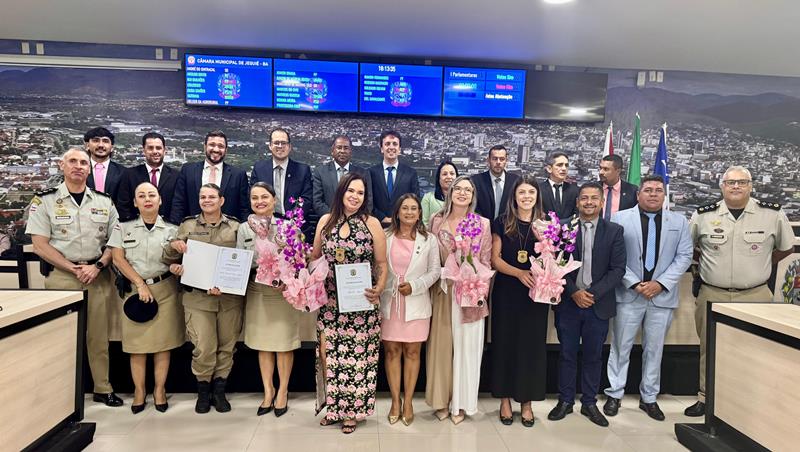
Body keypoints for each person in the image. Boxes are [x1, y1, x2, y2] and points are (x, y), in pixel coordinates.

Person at [683, 166, 794, 417]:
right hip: (713, 293)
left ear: (751, 186)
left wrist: (759, 267)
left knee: (757, 348)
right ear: (721, 186)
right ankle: (705, 397)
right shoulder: (703, 215)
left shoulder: (772, 214)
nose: (736, 187)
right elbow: (689, 249)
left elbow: (785, 249)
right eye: (730, 182)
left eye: (742, 183)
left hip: (756, 295)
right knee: (708, 349)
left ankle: (752, 400)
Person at [26, 148, 122, 407]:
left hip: (97, 276)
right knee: (61, 336)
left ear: (89, 169)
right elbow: (39, 244)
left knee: (98, 337)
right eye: (72, 162)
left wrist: (98, 266)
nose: (78, 166)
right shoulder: (45, 201)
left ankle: (102, 387)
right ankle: (61, 392)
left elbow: (116, 240)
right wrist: (72, 267)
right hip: (62, 278)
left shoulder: (104, 202)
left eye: (83, 162)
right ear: (62, 165)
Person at [603, 175, 692, 421]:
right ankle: (614, 394)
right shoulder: (620, 219)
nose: (653, 194)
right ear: (638, 194)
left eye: (658, 190)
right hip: (629, 293)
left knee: (654, 349)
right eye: (648, 190)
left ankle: (649, 398)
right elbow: (614, 256)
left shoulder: (679, 222)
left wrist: (660, 284)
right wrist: (634, 283)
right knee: (621, 346)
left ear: (665, 195)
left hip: (661, 296)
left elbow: (684, 256)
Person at [311, 172, 387, 434]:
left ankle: (352, 412)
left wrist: (379, 288)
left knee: (357, 359)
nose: (355, 197)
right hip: (330, 302)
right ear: (341, 192)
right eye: (350, 191)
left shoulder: (372, 223)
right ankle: (334, 408)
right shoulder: (325, 221)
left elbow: (381, 263)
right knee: (328, 355)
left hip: (361, 303)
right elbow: (315, 257)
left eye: (360, 193)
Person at [548, 182, 625, 427]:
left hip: (598, 305)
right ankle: (566, 400)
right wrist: (574, 292)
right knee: (567, 354)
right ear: (577, 202)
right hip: (569, 304)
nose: (589, 202)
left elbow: (617, 270)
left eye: (594, 198)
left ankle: (589, 402)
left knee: (593, 356)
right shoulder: (562, 228)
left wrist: (591, 293)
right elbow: (555, 263)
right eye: (584, 198)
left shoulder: (614, 231)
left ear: (602, 202)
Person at [163, 183, 242, 414]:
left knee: (227, 347)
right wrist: (174, 250)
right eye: (202, 197)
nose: (207, 200)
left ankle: (220, 391)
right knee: (204, 347)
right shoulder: (188, 225)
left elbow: (243, 261)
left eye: (211, 197)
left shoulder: (235, 227)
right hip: (197, 299)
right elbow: (169, 258)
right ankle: (203, 391)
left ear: (222, 200)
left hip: (228, 299)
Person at [108, 182, 184, 414]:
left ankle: (159, 390)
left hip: (165, 291)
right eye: (141, 195)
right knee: (137, 347)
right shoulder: (123, 228)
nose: (147, 199)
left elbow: (177, 260)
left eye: (152, 195)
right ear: (135, 202)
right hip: (135, 292)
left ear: (160, 200)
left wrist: (177, 268)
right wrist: (140, 284)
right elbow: (118, 259)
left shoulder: (173, 229)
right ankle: (140, 391)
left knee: (163, 345)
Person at [425, 176, 492, 425]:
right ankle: (442, 401)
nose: (463, 193)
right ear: (450, 192)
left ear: (473, 196)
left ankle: (461, 404)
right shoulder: (436, 220)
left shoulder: (481, 223)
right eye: (458, 189)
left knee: (466, 350)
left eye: (468, 190)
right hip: (443, 292)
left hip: (470, 294)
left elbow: (486, 261)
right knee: (441, 350)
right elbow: (432, 257)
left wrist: (473, 283)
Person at [237, 182, 301, 417]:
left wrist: (289, 261)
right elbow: (238, 261)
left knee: (283, 344)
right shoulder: (244, 229)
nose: (260, 201)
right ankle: (268, 391)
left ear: (274, 200)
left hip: (283, 293)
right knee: (263, 345)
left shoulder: (287, 226)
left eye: (265, 197)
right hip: (257, 290)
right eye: (255, 198)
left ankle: (283, 391)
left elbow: (300, 260)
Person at [490, 175, 546, 427]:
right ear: (514, 197)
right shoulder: (501, 223)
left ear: (537, 197)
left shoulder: (546, 225)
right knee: (505, 344)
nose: (526, 197)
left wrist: (544, 273)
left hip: (535, 295)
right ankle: (504, 400)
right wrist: (519, 272)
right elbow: (495, 259)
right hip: (507, 291)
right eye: (522, 193)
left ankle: (526, 402)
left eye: (531, 193)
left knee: (531, 348)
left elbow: (553, 259)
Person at [380, 194, 440, 426]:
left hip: (416, 303)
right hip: (390, 303)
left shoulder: (429, 240)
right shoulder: (385, 237)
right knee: (392, 352)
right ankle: (396, 401)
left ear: (419, 214)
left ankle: (409, 402)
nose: (409, 212)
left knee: (413, 353)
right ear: (397, 212)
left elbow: (435, 271)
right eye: (404, 208)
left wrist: (415, 286)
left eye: (414, 209)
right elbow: (378, 267)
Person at [170, 130, 250, 223]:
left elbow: (244, 209)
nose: (216, 149)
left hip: (227, 233)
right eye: (212, 145)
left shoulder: (238, 175)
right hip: (193, 231)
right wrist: (177, 229)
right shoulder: (188, 170)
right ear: (205, 147)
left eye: (221, 146)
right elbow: (178, 203)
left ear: (226, 150)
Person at [116, 132, 180, 222]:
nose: (155, 151)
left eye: (158, 148)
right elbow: (123, 205)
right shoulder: (129, 175)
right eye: (150, 148)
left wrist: (171, 226)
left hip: (168, 229)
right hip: (137, 229)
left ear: (164, 150)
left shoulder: (176, 176)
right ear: (144, 150)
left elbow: (178, 206)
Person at [250, 127, 313, 217]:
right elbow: (253, 197)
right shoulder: (259, 169)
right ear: (270, 146)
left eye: (283, 143)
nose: (280, 146)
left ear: (289, 147)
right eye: (276, 143)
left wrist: (291, 222)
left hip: (293, 224)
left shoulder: (303, 170)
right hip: (265, 221)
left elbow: (306, 200)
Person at [368, 131, 420, 226]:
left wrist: (399, 217)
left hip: (402, 225)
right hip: (377, 225)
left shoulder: (411, 173)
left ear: (399, 149)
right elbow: (367, 200)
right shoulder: (371, 173)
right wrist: (382, 217)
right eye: (387, 144)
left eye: (395, 144)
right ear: (382, 149)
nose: (391, 147)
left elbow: (415, 201)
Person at [312, 134, 373, 215]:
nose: (342, 151)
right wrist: (335, 218)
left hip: (356, 222)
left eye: (346, 148)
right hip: (329, 221)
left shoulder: (363, 173)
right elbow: (317, 202)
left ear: (351, 151)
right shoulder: (320, 172)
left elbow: (368, 202)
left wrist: (353, 220)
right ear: (332, 151)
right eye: (339, 147)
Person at [472, 145, 520, 220]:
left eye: (502, 159)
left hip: (509, 229)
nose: (498, 162)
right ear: (488, 160)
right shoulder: (476, 181)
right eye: (494, 159)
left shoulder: (516, 181)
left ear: (506, 161)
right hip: (482, 228)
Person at [84, 127, 125, 203]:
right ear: (87, 146)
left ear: (112, 147)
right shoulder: (79, 170)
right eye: (96, 141)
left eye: (105, 141)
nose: (100, 145)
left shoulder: (123, 173)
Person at [539, 151, 578, 220]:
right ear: (549, 169)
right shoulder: (539, 190)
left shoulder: (575, 191)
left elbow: (577, 215)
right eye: (560, 165)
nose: (564, 168)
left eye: (566, 165)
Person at [599, 154, 638, 220]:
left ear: (618, 171)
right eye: (600, 168)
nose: (601, 172)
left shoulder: (632, 191)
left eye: (606, 169)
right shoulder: (592, 188)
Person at [421, 160, 457, 227]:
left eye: (452, 174)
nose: (449, 177)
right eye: (444, 174)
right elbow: (423, 223)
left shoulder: (462, 198)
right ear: (439, 178)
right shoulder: (428, 198)